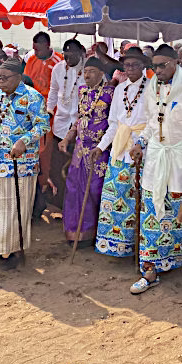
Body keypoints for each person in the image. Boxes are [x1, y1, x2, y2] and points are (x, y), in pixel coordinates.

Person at [128, 44, 182, 294]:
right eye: (154, 66)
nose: (158, 70)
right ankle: (151, 269)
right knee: (153, 210)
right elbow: (151, 124)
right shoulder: (151, 86)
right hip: (156, 157)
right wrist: (141, 143)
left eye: (162, 65)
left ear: (175, 62)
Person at [0, 58, 50, 268]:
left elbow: (43, 126)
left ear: (18, 77)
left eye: (5, 77)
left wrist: (23, 141)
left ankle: (14, 250)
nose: (1, 81)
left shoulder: (33, 97)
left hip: (20, 165)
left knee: (14, 209)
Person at [94, 47, 150, 257]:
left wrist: (142, 144)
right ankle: (119, 246)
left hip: (142, 151)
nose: (131, 68)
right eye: (127, 65)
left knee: (141, 200)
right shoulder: (119, 89)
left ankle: (141, 247)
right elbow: (113, 124)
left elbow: (154, 123)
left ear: (143, 66)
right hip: (119, 150)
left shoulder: (152, 88)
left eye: (135, 64)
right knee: (118, 199)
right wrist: (100, 147)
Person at [59, 57, 114, 246]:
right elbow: (79, 118)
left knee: (95, 189)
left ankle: (97, 233)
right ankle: (76, 233)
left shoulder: (110, 92)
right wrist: (67, 138)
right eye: (85, 71)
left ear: (101, 73)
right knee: (74, 188)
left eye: (91, 71)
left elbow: (114, 122)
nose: (87, 75)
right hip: (81, 150)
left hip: (100, 150)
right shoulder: (82, 92)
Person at [24, 32, 64, 212]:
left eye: (38, 49)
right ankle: (36, 191)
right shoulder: (31, 60)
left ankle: (46, 189)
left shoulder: (59, 62)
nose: (35, 52)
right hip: (33, 114)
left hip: (52, 116)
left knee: (47, 155)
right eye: (33, 49)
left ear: (48, 45)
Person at [47, 39, 86, 206]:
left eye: (72, 55)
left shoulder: (87, 70)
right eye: (65, 54)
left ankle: (75, 202)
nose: (67, 58)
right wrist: (49, 110)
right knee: (58, 166)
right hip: (61, 124)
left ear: (81, 54)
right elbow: (54, 91)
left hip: (80, 125)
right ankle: (61, 202)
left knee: (76, 168)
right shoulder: (58, 68)